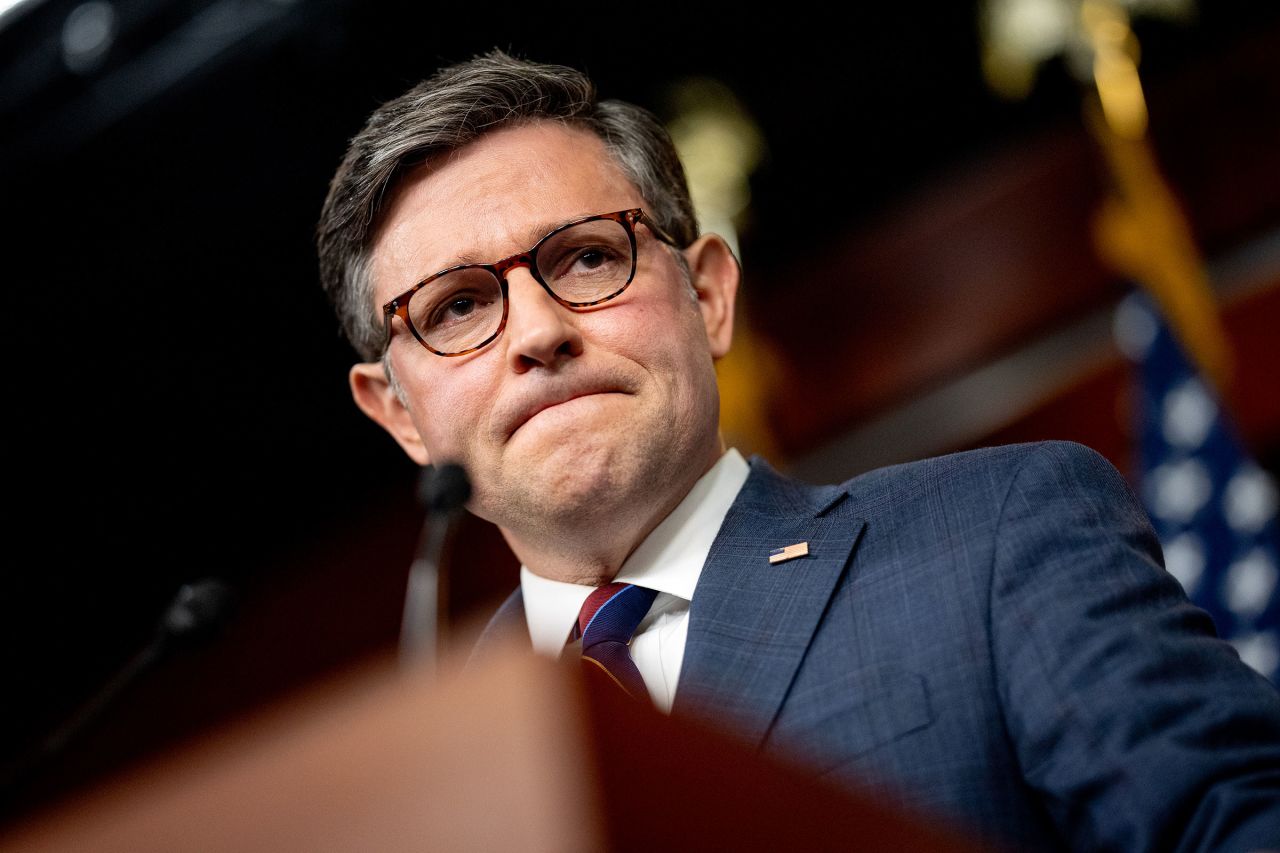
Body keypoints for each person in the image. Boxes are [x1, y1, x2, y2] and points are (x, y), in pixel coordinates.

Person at [317, 51, 1280, 850]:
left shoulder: (997, 535)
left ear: (708, 296)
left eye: (585, 257)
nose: (537, 331)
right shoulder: (407, 783)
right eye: (458, 307)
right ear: (398, 413)